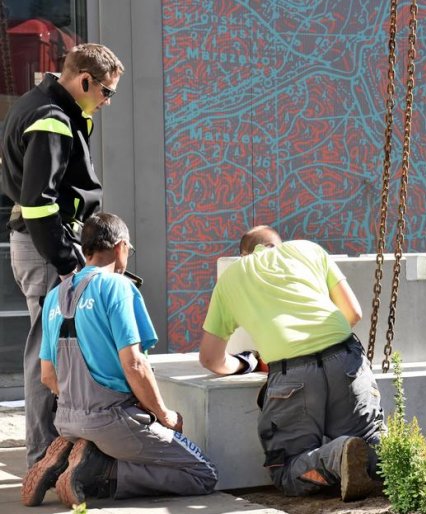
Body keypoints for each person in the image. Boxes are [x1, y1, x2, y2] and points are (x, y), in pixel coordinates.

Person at [21, 212, 217, 507]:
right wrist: (165, 416)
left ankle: (77, 459)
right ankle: (98, 471)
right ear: (121, 246)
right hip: (112, 420)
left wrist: (81, 406)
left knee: (129, 447)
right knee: (202, 473)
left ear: (86, 248)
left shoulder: (54, 297)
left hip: (67, 420)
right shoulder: (118, 287)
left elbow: (47, 376)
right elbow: (135, 365)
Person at [1, 43, 124, 468]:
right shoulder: (52, 119)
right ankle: (42, 457)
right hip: (47, 249)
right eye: (106, 92)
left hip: (42, 245)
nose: (106, 102)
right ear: (84, 80)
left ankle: (51, 450)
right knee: (47, 350)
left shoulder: (40, 106)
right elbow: (38, 203)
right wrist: (69, 263)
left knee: (54, 347)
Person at [199, 225, 384, 501]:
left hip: (292, 375)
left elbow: (211, 359)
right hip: (345, 359)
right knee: (373, 441)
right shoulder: (309, 249)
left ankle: (338, 456)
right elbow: (353, 313)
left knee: (285, 469)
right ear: (279, 244)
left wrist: (242, 363)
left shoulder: (232, 277)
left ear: (243, 254)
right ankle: (398, 462)